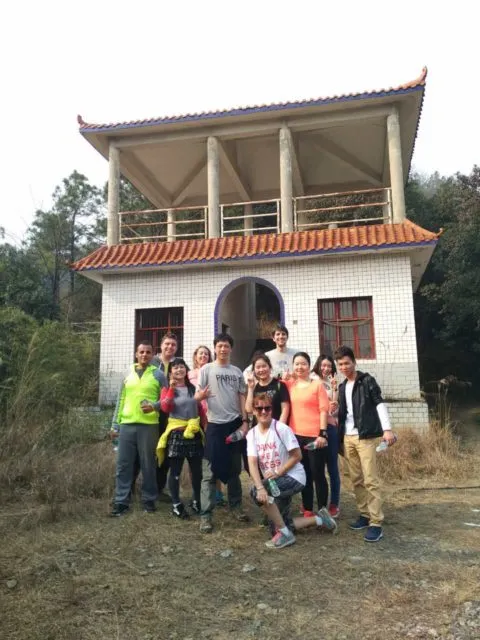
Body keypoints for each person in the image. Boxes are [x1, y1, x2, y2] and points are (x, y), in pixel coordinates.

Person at [247, 393, 337, 549]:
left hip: (293, 477)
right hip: (275, 481)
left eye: (267, 408)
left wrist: (277, 473)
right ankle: (320, 519)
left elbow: (297, 455)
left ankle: (286, 535)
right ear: (254, 411)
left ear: (272, 409)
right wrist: (261, 486)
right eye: (259, 408)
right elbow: (252, 463)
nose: (263, 412)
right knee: (277, 525)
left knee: (256, 491)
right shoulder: (252, 434)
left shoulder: (281, 429)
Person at [334, 345, 395, 543]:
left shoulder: (367, 381)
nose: (344, 367)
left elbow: (379, 402)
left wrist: (387, 429)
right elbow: (343, 414)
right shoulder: (342, 387)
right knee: (356, 479)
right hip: (348, 437)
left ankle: (376, 522)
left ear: (354, 362)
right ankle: (364, 514)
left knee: (370, 479)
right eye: (340, 364)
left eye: (346, 363)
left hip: (365, 437)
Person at [195, 333, 248, 533]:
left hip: (234, 424)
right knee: (209, 472)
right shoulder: (206, 369)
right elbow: (198, 394)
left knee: (234, 470)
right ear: (215, 348)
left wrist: (245, 420)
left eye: (226, 346)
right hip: (214, 426)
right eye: (220, 346)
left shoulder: (237, 371)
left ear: (231, 349)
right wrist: (200, 396)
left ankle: (236, 507)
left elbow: (242, 396)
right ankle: (205, 515)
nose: (223, 349)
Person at [110, 341, 166, 516]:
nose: (144, 355)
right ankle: (121, 501)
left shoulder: (158, 374)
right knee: (123, 464)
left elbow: (166, 400)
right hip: (127, 424)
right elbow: (121, 399)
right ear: (136, 354)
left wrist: (154, 406)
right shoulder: (127, 372)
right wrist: (114, 424)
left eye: (148, 352)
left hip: (148, 426)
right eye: (141, 352)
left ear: (152, 355)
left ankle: (149, 500)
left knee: (148, 464)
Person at [157, 358, 205, 519]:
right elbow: (165, 408)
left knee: (197, 471)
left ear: (186, 370)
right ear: (170, 372)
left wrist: (205, 425)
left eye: (182, 367)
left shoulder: (192, 388)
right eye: (175, 367)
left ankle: (196, 500)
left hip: (194, 432)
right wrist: (171, 389)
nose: (179, 370)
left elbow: (199, 409)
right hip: (176, 433)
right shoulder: (166, 389)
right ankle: (176, 504)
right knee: (175, 471)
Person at [283, 352, 330, 517]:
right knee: (305, 474)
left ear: (309, 366)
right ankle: (308, 509)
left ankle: (323, 509)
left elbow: (324, 410)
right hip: (296, 437)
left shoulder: (317, 385)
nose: (300, 367)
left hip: (315, 437)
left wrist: (322, 434)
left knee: (318, 473)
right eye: (296, 364)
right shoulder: (290, 385)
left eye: (303, 364)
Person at [188, 345, 225, 505]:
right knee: (195, 458)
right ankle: (196, 492)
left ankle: (218, 492)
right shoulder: (189, 374)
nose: (203, 356)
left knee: (214, 455)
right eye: (200, 353)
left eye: (206, 354)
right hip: (194, 418)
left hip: (213, 416)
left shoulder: (213, 371)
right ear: (195, 356)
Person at [311, 354, 341, 518]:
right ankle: (311, 503)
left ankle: (334, 503)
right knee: (315, 468)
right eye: (323, 365)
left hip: (330, 428)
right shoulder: (311, 380)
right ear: (318, 365)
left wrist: (335, 389)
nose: (326, 368)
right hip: (314, 428)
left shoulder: (333, 383)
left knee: (332, 467)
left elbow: (334, 408)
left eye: (329, 366)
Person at [151, 332, 178, 498]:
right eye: (167, 344)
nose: (170, 347)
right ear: (161, 346)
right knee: (147, 450)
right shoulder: (152, 362)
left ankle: (159, 488)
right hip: (151, 412)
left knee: (166, 451)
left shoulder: (179, 364)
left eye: (173, 345)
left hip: (170, 415)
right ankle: (137, 488)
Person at [245, 353, 290, 424]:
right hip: (259, 428)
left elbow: (285, 409)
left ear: (270, 367)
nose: (261, 369)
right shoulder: (254, 387)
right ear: (254, 371)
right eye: (258, 367)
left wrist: (279, 428)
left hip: (275, 427)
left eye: (264, 366)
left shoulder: (280, 385)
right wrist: (250, 388)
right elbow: (249, 410)